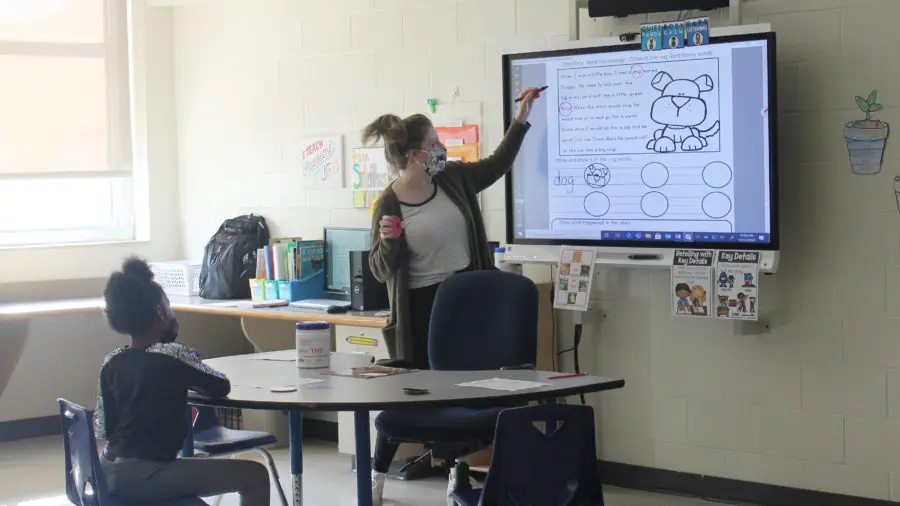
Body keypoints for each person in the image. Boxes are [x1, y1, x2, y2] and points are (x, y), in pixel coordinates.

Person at [363, 87, 542, 505]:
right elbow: (379, 269)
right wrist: (389, 242)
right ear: (413, 155)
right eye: (434, 144)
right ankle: (376, 478)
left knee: (464, 393)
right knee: (419, 405)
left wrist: (521, 118)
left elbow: (497, 165)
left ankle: (456, 475)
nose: (442, 148)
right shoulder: (389, 202)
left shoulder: (453, 178)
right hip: (422, 311)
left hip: (465, 304)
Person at [94, 257, 270, 506]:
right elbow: (220, 386)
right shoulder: (173, 356)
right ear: (161, 313)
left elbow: (102, 429)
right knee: (255, 475)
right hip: (147, 476)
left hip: (106, 472)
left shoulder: (111, 362)